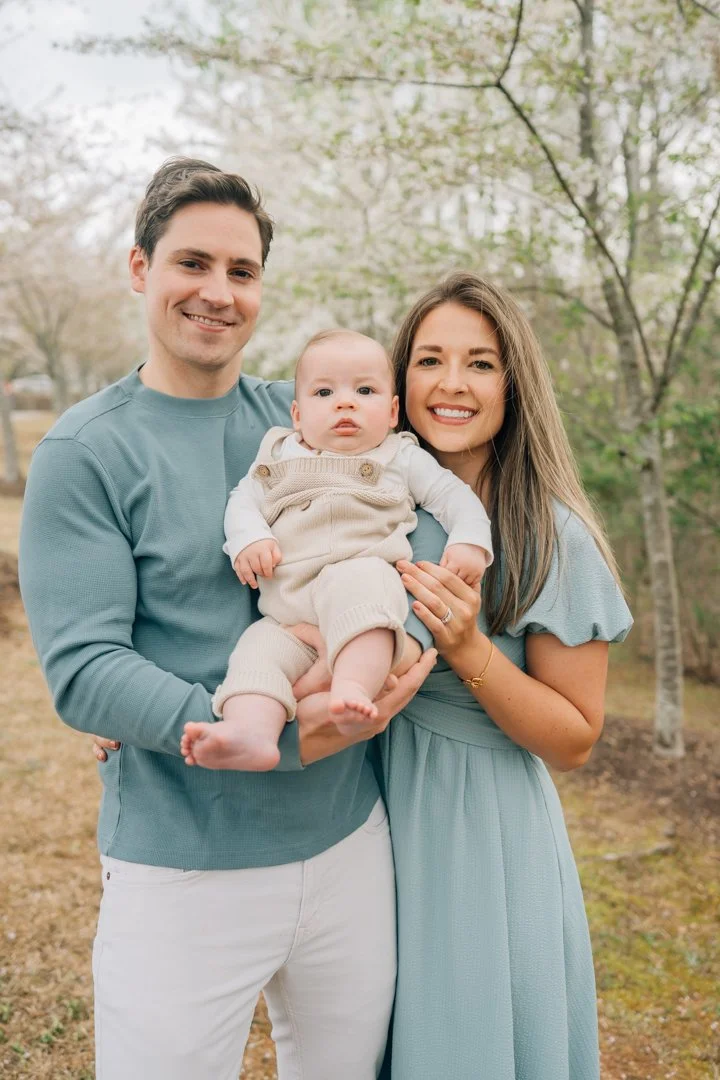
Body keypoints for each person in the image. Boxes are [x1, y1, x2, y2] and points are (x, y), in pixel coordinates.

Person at [18, 157, 439, 1080]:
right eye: (192, 264)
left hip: (348, 845)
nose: (218, 293)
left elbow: (421, 524)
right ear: (140, 269)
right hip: (185, 869)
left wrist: (415, 641)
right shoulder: (84, 453)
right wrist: (268, 725)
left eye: (241, 273)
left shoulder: (310, 420)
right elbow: (87, 670)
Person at [375, 272, 633, 1079]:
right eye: (430, 360)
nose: (452, 384)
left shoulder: (550, 535)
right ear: (397, 379)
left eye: (480, 364)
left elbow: (575, 739)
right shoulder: (366, 495)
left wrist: (471, 650)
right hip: (357, 811)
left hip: (475, 831)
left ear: (513, 384)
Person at [181, 327, 492, 771]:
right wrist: (250, 538)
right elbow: (243, 501)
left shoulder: (399, 456)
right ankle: (251, 733)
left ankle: (351, 689)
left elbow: (454, 497)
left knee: (363, 597)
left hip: (360, 585)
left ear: (391, 411)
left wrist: (469, 542)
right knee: (257, 654)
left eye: (364, 390)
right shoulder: (277, 457)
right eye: (324, 392)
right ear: (297, 414)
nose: (344, 402)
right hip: (288, 614)